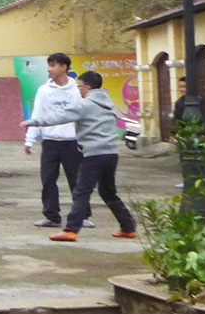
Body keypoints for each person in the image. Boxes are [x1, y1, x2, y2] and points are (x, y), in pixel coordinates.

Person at [21, 71, 137, 241]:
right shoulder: (107, 104)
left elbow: (60, 116)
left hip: (93, 155)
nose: (79, 89)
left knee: (81, 192)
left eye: (80, 86)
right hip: (111, 153)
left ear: (87, 87)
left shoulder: (85, 105)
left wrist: (33, 122)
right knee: (108, 192)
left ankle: (70, 230)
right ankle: (128, 227)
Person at [25, 52, 91, 228]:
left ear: (64, 67)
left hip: (72, 142)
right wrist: (29, 139)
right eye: (49, 65)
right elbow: (37, 114)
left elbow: (84, 116)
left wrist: (86, 140)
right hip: (50, 141)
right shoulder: (44, 91)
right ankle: (52, 216)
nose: (50, 69)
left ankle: (82, 215)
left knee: (77, 180)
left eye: (53, 65)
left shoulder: (77, 90)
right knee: (48, 180)